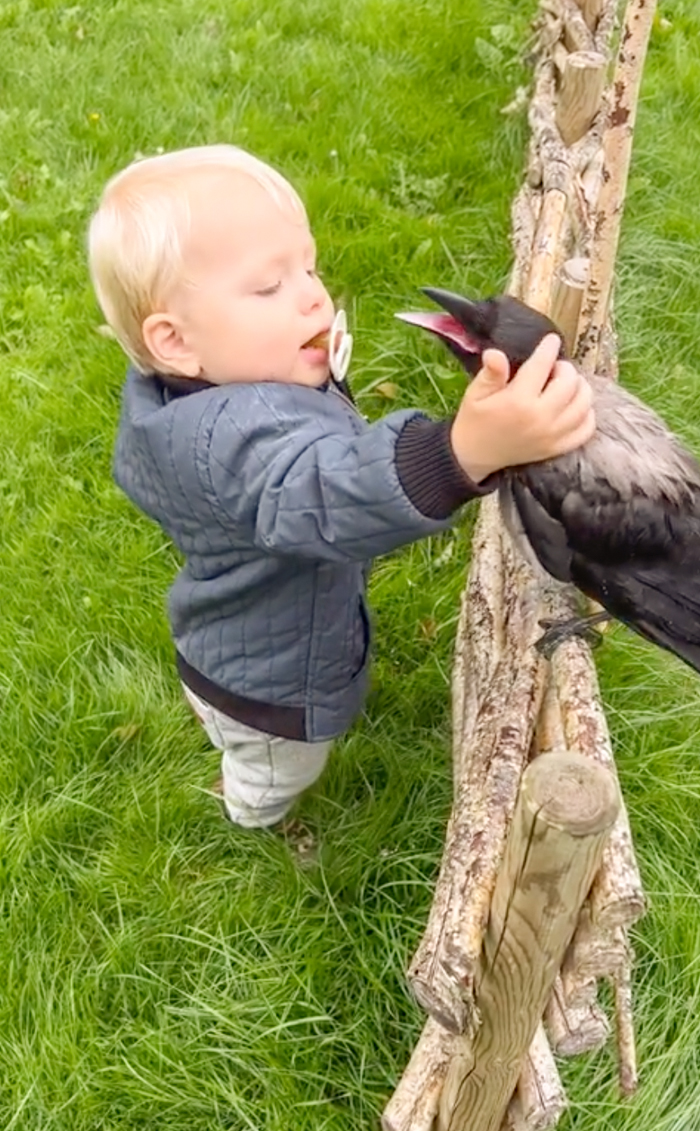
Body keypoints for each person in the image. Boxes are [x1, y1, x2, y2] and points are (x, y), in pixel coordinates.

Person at [88, 144, 595, 829]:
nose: (313, 294)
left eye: (309, 266)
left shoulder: (192, 390)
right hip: (268, 692)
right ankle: (252, 809)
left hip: (232, 636)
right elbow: (327, 494)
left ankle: (233, 748)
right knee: (284, 768)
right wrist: (462, 451)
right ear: (176, 341)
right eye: (269, 286)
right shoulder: (235, 443)